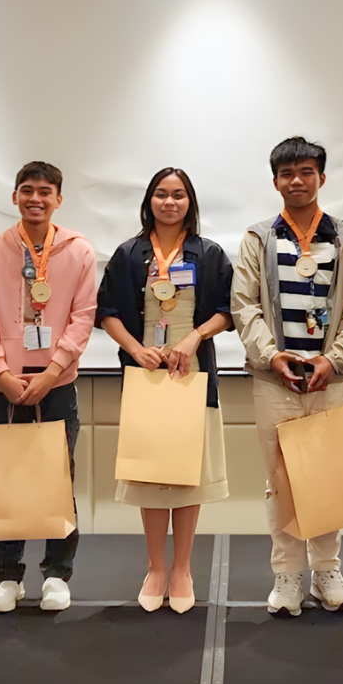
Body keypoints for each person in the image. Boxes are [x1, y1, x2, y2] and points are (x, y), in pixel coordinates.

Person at [231, 136, 343, 616]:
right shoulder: (258, 239)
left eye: (306, 172)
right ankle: (287, 576)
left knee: (328, 476)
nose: (297, 180)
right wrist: (272, 356)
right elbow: (244, 305)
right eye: (287, 173)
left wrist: (332, 359)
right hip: (276, 380)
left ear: (321, 178)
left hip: (329, 378)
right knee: (281, 479)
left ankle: (326, 571)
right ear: (275, 181)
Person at [97, 167, 233, 614]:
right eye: (161, 194)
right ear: (149, 201)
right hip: (146, 376)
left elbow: (226, 311)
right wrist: (138, 351)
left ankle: (183, 569)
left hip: (192, 376)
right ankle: (156, 567)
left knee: (186, 477)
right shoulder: (129, 253)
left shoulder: (208, 253)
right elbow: (109, 312)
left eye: (178, 195)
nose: (169, 202)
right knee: (151, 476)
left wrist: (193, 338)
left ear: (190, 201)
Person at [0, 161, 97, 613]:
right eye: (27, 190)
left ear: (58, 199)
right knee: (7, 477)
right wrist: (1, 373)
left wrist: (50, 373)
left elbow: (83, 319)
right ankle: (7, 576)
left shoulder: (79, 251)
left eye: (45, 191)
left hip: (57, 383)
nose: (35, 199)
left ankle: (57, 574)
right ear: (15, 197)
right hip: (3, 385)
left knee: (58, 478)